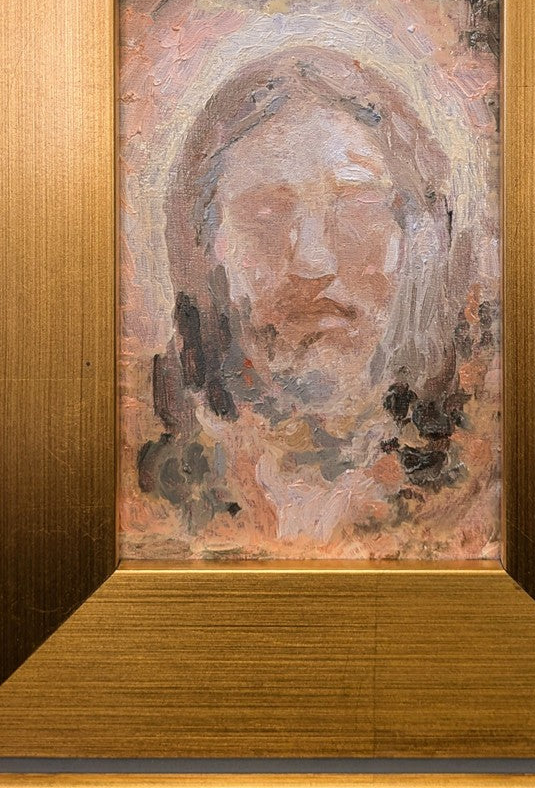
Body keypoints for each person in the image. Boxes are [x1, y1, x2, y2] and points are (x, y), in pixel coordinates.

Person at [133, 47, 499, 559]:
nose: (312, 262)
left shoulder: (489, 480)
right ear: (207, 248)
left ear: (420, 241)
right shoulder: (156, 487)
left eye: (358, 210)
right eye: (265, 214)